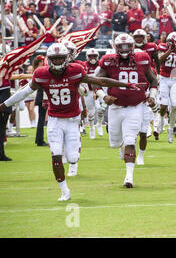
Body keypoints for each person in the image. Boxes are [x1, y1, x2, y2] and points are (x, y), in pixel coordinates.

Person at [0, 42, 137, 201]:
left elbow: (100, 81)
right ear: (49, 59)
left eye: (60, 58)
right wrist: (4, 105)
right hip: (54, 120)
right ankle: (64, 191)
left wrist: (125, 84)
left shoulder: (76, 70)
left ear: (66, 58)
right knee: (56, 156)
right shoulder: (42, 74)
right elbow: (24, 92)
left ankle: (76, 147)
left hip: (72, 120)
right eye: (54, 58)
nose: (57, 61)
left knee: (72, 159)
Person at [95, 34, 158, 188]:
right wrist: (103, 96)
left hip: (135, 107)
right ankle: (122, 148)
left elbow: (153, 80)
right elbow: (96, 82)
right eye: (121, 46)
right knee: (116, 143)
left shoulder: (142, 58)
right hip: (115, 107)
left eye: (126, 46)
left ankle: (129, 177)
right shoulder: (108, 60)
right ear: (116, 48)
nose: (124, 49)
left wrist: (152, 96)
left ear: (132, 46)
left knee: (130, 140)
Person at [156, 32, 176, 143]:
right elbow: (160, 60)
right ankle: (162, 121)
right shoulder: (162, 47)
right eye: (172, 42)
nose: (173, 44)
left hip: (175, 79)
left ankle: (171, 128)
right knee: (163, 106)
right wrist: (169, 50)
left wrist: (175, 48)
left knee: (175, 106)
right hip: (163, 78)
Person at [83, 48, 104, 139]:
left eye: (94, 56)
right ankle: (91, 127)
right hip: (89, 90)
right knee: (91, 112)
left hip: (99, 90)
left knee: (101, 109)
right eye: (90, 56)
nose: (92, 58)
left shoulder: (101, 65)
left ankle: (99, 123)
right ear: (87, 57)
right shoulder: (84, 65)